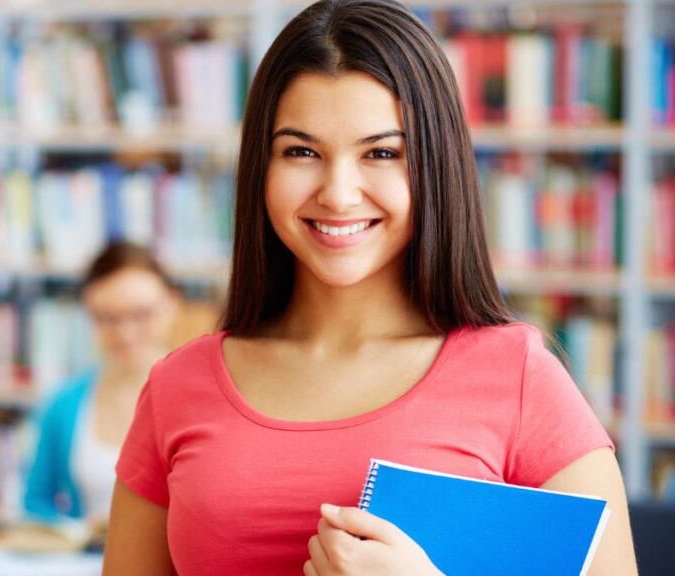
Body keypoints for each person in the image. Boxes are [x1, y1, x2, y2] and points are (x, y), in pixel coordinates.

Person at [103, 1, 638, 575]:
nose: (338, 192)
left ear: (434, 167)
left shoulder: (520, 380)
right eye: (301, 151)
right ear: (261, 166)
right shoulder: (177, 387)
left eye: (381, 153)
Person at [23, 242, 179, 537]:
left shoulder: (208, 398)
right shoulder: (63, 405)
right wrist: (75, 531)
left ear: (173, 303)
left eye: (141, 315)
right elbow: (35, 502)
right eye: (107, 318)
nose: (124, 332)